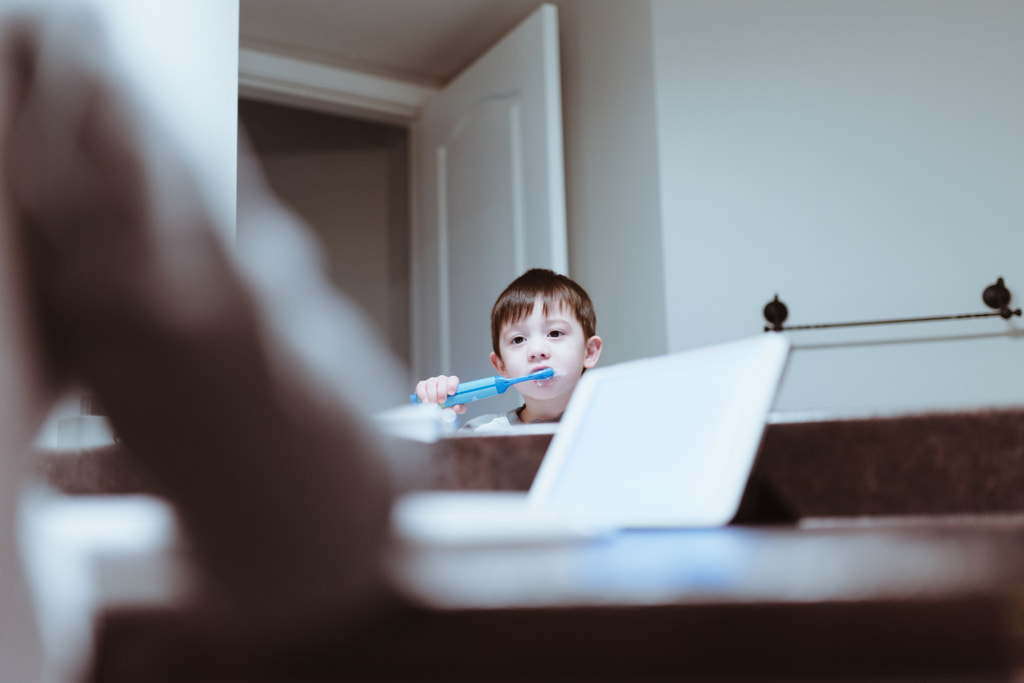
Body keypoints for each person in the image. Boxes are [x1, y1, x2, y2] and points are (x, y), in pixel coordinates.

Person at [415, 268, 603, 431]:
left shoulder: (615, 425)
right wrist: (434, 422)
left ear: (589, 352)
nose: (536, 350)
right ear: (501, 365)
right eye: (518, 339)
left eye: (555, 333)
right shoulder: (483, 435)